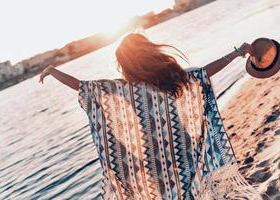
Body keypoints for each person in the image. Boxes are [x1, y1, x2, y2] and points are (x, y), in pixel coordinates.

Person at [39, 33, 261, 199]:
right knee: (192, 191)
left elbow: (83, 87)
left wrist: (53, 71)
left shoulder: (125, 89)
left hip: (153, 157)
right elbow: (206, 71)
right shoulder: (173, 78)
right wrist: (237, 53)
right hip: (183, 148)